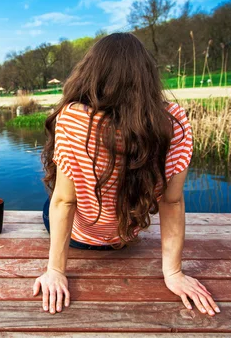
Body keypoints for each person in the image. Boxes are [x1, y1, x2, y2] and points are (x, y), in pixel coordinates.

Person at [33, 33, 220, 317]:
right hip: (125, 236)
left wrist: (55, 271)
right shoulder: (174, 121)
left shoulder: (73, 117)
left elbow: (65, 202)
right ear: (147, 78)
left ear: (91, 74)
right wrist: (174, 272)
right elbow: (172, 203)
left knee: (52, 201)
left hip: (81, 237)